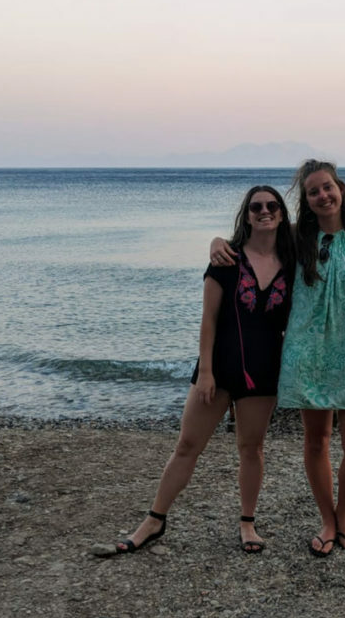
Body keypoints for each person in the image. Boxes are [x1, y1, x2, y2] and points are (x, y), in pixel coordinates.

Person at [103, 185, 294, 557]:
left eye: (272, 206)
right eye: (256, 207)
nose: (264, 211)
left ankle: (247, 522)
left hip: (264, 371)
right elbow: (208, 320)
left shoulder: (293, 261)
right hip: (218, 368)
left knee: (251, 448)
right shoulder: (226, 259)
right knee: (188, 445)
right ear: (247, 214)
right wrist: (205, 371)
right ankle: (154, 520)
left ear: (282, 214)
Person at [212, 160, 345, 557]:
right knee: (316, 441)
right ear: (306, 201)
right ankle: (330, 521)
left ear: (340, 188)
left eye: (327, 187)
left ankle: (344, 512)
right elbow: (250, 245)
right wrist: (216, 243)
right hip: (308, 353)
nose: (322, 195)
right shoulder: (295, 241)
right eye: (313, 192)